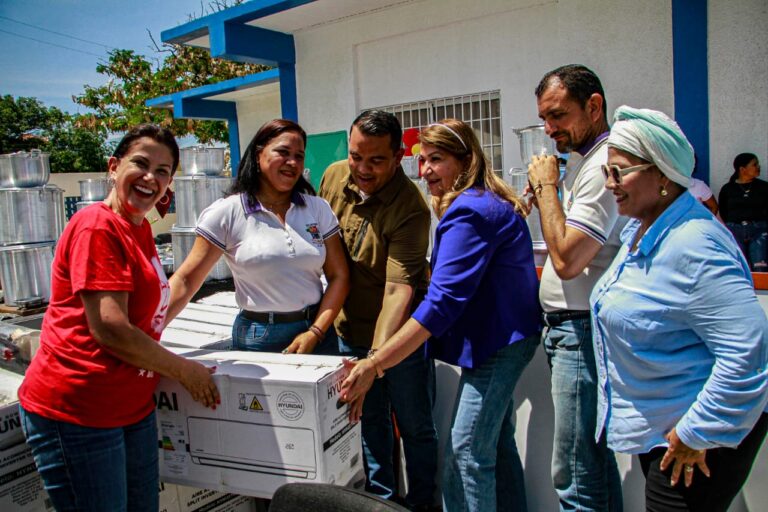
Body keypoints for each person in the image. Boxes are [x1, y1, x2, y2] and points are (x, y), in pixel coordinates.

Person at [340, 119, 541, 511]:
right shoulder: (481, 202)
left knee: (466, 455)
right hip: (501, 341)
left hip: (498, 346)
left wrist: (375, 363)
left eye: (437, 159)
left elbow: (440, 303)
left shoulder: (469, 211)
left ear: (466, 163)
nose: (426, 169)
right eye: (423, 159)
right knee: (496, 447)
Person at [18, 125, 220, 512]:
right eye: (141, 164)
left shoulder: (139, 227)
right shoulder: (97, 226)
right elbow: (110, 328)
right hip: (79, 412)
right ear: (114, 166)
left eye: (163, 171)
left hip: (131, 408)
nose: (151, 178)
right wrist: (184, 371)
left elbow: (152, 311)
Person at [591, 106, 768, 512]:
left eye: (619, 172)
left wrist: (695, 431)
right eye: (607, 172)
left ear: (663, 174)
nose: (610, 184)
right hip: (666, 428)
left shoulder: (694, 243)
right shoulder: (642, 229)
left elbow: (748, 351)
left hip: (696, 441)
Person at [319, 110, 438, 510]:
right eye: (356, 157)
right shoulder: (334, 177)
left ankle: (422, 505)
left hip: (399, 341)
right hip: (348, 335)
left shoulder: (411, 208)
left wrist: (376, 361)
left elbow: (397, 291)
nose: (362, 169)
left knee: (416, 427)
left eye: (376, 160)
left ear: (399, 156)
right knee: (367, 425)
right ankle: (382, 505)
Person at [527, 64, 623, 511]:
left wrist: (547, 187)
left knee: (575, 471)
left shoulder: (605, 163)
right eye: (544, 118)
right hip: (571, 330)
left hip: (581, 332)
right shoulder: (589, 161)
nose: (550, 130)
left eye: (558, 116)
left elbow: (567, 260)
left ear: (594, 106)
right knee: (592, 465)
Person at [167, 119, 349, 354]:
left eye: (299, 155)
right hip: (260, 336)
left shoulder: (317, 209)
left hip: (318, 332)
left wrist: (316, 332)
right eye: (282, 152)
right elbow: (185, 281)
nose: (292, 162)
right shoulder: (228, 212)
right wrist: (147, 333)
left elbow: (340, 276)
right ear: (257, 154)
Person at [718, 153, 767, 271]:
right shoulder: (728, 189)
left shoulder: (764, 187)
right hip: (735, 232)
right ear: (742, 169)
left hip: (759, 232)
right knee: (738, 267)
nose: (758, 167)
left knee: (760, 267)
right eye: (754, 165)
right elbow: (724, 211)